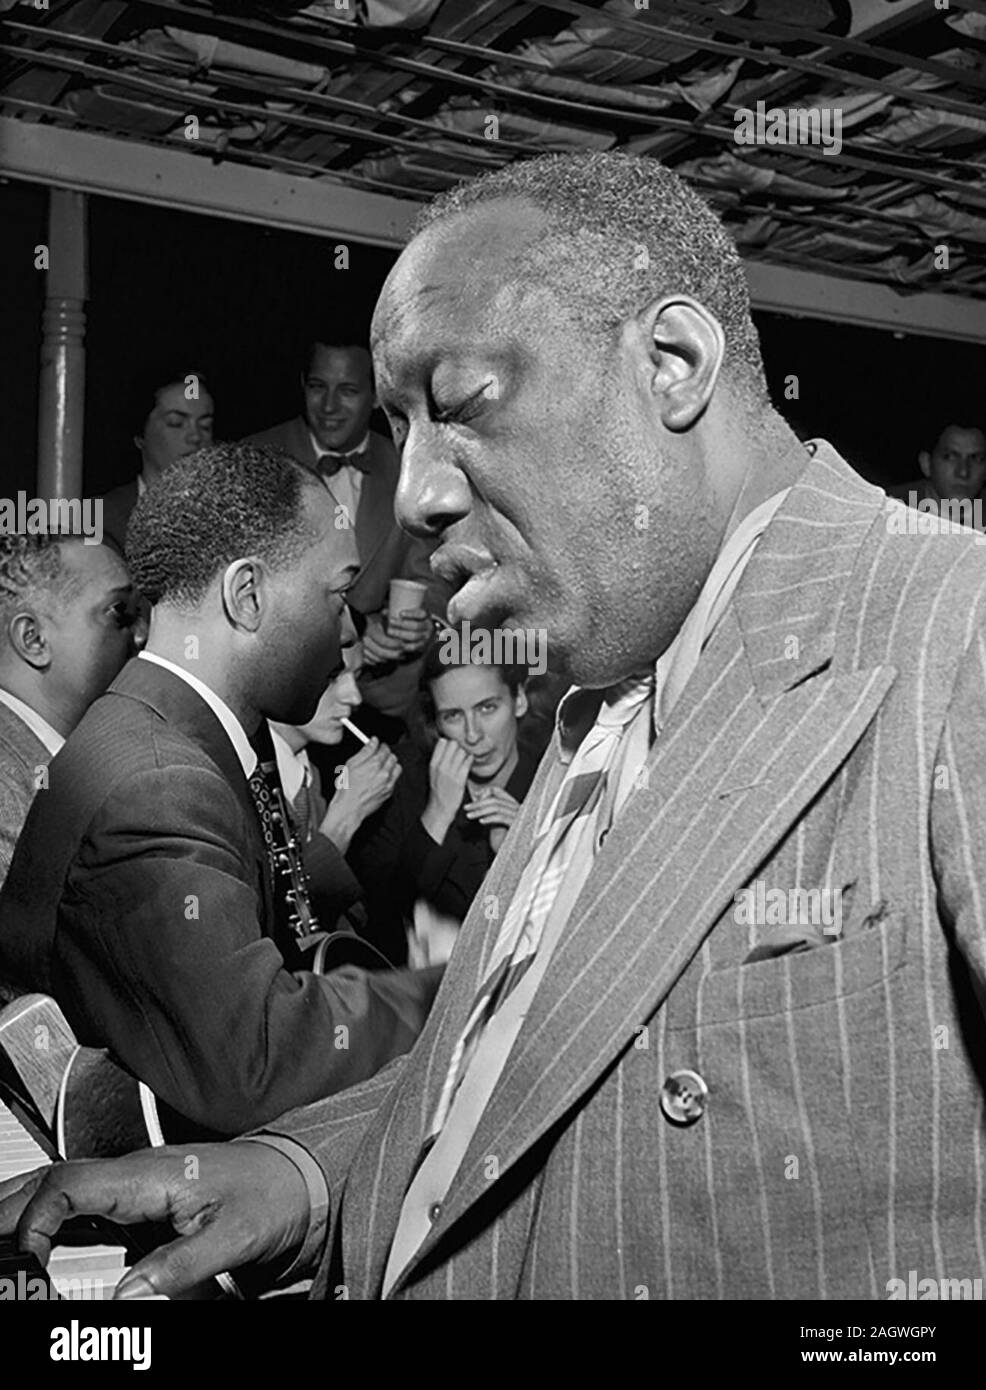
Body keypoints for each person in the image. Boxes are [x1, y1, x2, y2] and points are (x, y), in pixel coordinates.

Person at [7, 151, 986, 1303]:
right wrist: (300, 1176)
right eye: (396, 425)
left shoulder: (949, 632)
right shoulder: (593, 708)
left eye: (461, 404)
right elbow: (513, 1061)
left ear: (670, 363)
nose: (414, 495)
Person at [0, 443, 440, 1139]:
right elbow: (256, 1062)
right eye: (339, 595)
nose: (352, 629)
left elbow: (295, 905)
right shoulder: (159, 781)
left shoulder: (201, 729)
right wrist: (457, 989)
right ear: (247, 595)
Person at [246, 339, 448, 733]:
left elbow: (433, 576)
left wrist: (422, 626)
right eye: (317, 387)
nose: (329, 406)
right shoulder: (259, 459)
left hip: (384, 704)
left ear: (376, 398)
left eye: (348, 391)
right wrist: (353, 625)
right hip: (284, 705)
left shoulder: (409, 469)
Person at [349, 635, 538, 966]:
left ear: (519, 699)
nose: (473, 734)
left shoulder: (551, 781)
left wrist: (529, 847)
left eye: (487, 708)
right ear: (436, 721)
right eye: (453, 716)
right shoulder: (403, 778)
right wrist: (437, 815)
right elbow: (380, 919)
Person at [0, 534, 140, 890]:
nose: (142, 635)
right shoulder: (8, 799)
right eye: (119, 612)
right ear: (33, 639)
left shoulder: (75, 763)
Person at [268, 612, 401, 936]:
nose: (354, 697)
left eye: (356, 676)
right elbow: (272, 925)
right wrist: (346, 815)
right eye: (333, 677)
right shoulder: (239, 777)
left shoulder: (310, 774)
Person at [100, 365, 215, 554]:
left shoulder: (229, 514)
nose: (195, 437)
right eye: (176, 424)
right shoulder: (103, 517)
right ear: (140, 435)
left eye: (205, 426)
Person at [887, 420, 986, 524]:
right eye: (950, 457)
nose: (963, 472)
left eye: (977, 459)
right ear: (926, 464)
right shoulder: (887, 508)